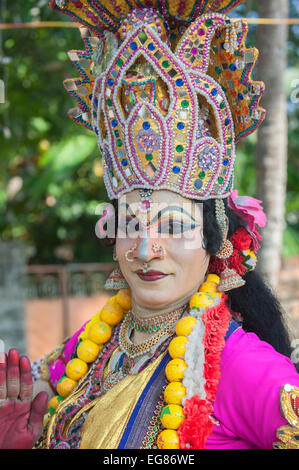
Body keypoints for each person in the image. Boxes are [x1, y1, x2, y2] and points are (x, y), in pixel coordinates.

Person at [0, 0, 298, 450]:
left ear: (215, 239)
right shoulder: (90, 347)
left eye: (174, 227)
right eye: (130, 225)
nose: (145, 249)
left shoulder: (243, 368)